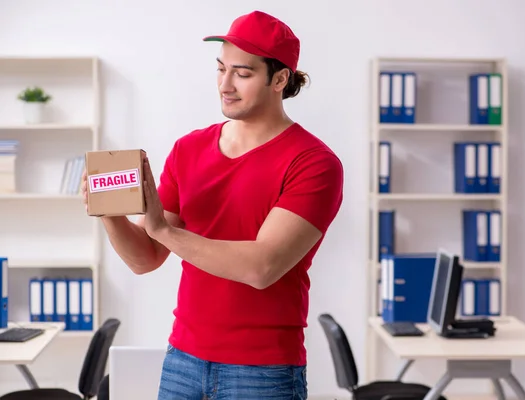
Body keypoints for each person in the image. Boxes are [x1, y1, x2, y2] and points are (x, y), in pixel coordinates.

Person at [82, 10, 343, 400]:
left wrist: (163, 230)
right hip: (182, 360)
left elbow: (261, 267)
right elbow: (146, 258)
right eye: (220, 69)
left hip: (263, 372)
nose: (225, 84)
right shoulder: (189, 149)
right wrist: (109, 212)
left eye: (242, 73)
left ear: (280, 79)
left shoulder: (314, 163)